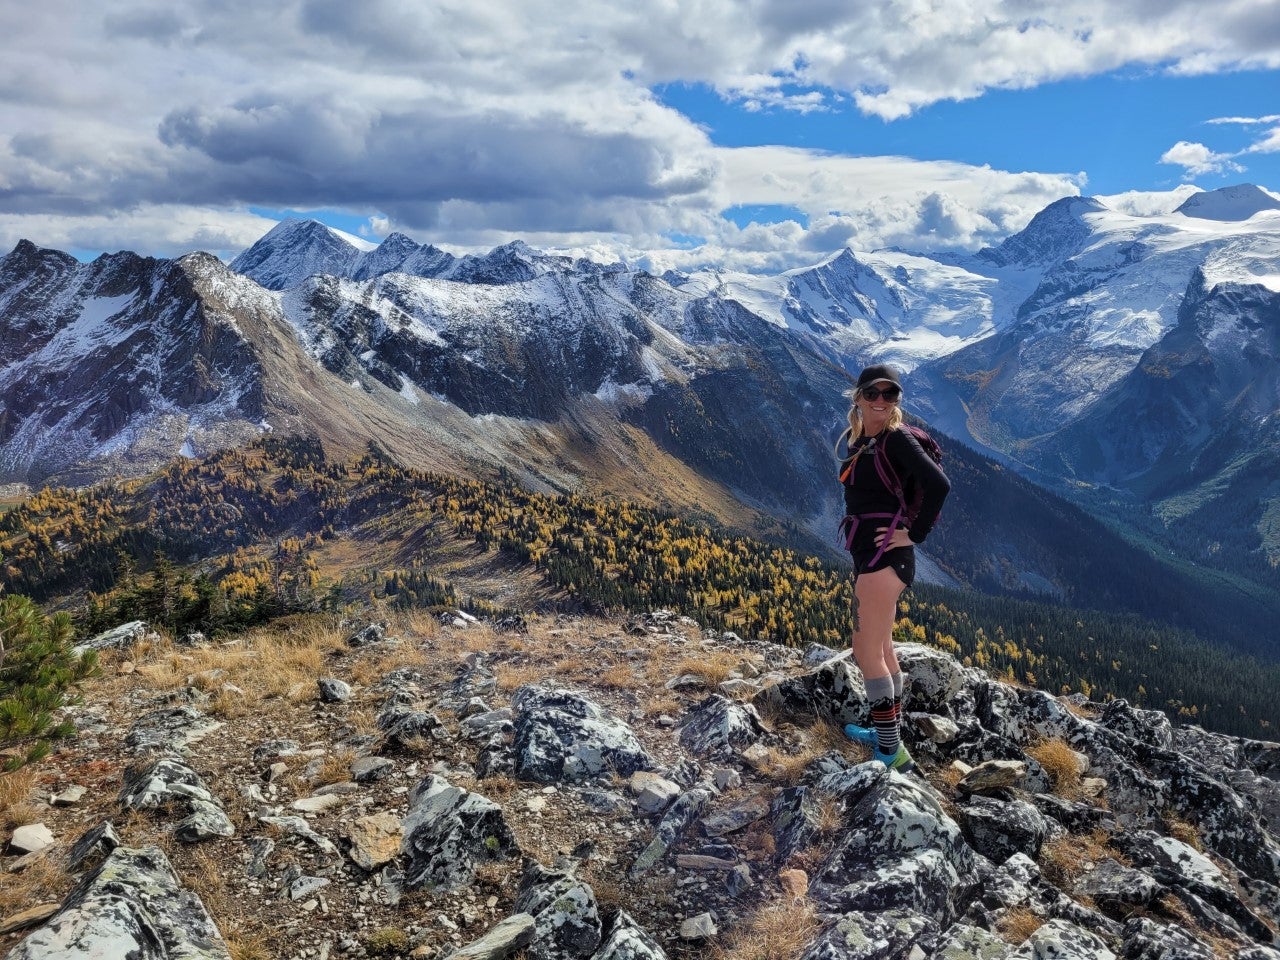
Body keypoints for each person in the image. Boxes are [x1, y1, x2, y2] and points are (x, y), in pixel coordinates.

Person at [836, 364, 950, 772]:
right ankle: (887, 732)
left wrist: (915, 534)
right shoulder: (863, 439)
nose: (881, 401)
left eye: (891, 394)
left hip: (885, 557)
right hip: (873, 554)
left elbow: (939, 485)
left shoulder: (896, 438)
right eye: (873, 393)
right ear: (859, 396)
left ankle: (890, 750)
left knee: (865, 652)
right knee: (882, 648)